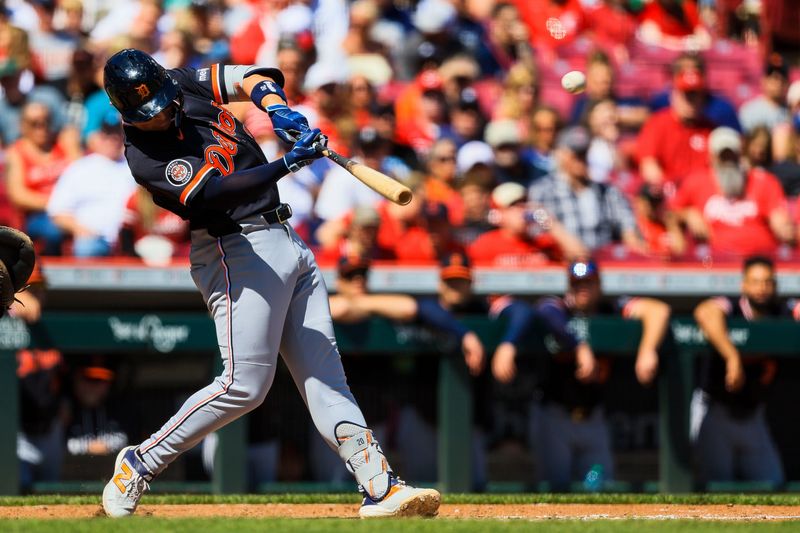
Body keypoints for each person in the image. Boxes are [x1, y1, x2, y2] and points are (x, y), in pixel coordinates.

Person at [100, 49, 439, 519]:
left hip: (284, 237)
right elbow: (218, 191)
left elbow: (251, 76)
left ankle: (378, 486)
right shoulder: (143, 154)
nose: (158, 115)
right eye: (147, 112)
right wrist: (288, 164)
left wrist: (276, 105)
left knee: (325, 374)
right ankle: (140, 462)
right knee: (245, 384)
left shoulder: (179, 82)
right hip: (233, 248)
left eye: (160, 103)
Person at [493, 259, 671, 491]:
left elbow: (659, 310)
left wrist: (648, 349)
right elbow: (545, 310)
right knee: (554, 489)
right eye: (577, 284)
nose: (582, 289)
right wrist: (579, 346)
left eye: (588, 283)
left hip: (594, 418)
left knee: (602, 486)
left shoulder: (611, 310)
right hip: (554, 416)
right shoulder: (558, 308)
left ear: (599, 285)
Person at [692, 256, 793, 487]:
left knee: (773, 483)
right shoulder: (732, 306)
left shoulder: (780, 310)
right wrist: (732, 355)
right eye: (755, 282)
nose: (762, 288)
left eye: (768, 282)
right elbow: (705, 312)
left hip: (753, 416)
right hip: (715, 412)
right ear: (744, 285)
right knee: (713, 485)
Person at [671, 127, 794, 257]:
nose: (728, 161)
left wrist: (783, 227)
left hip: (760, 257)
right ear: (712, 157)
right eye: (723, 156)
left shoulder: (764, 181)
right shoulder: (696, 181)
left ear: (740, 155)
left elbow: (778, 217)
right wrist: (687, 214)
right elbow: (669, 213)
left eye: (732, 155)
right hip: (714, 259)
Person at [530, 126, 645, 253]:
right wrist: (559, 235)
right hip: (561, 263)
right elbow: (536, 220)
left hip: (604, 263)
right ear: (561, 154)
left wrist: (632, 241)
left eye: (584, 154)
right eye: (575, 154)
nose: (581, 160)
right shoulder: (542, 190)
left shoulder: (607, 191)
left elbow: (628, 225)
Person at [46, 115, 137, 257]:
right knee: (86, 248)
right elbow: (57, 211)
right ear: (99, 137)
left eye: (118, 134)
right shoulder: (80, 168)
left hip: (130, 237)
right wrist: (81, 230)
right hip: (94, 238)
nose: (114, 140)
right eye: (108, 135)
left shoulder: (133, 166)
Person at [469, 182, 587, 266]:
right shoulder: (485, 244)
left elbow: (582, 259)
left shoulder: (544, 243)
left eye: (525, 203)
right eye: (514, 205)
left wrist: (551, 224)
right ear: (498, 214)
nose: (523, 209)